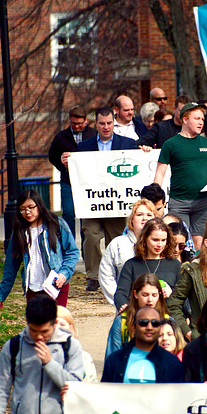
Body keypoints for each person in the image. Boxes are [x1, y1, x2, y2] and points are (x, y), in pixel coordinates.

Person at [61, 106, 137, 292]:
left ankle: (118, 275)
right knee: (92, 238)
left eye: (109, 123)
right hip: (93, 204)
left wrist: (144, 150)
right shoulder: (84, 147)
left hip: (116, 204)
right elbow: (78, 176)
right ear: (96, 124)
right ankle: (93, 277)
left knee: (117, 241)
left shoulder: (128, 144)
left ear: (114, 122)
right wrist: (67, 165)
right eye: (102, 123)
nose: (105, 127)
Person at [154, 102, 207, 250]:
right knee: (179, 243)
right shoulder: (171, 144)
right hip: (179, 203)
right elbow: (160, 173)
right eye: (197, 118)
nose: (201, 122)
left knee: (201, 244)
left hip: (203, 202)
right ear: (185, 120)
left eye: (202, 119)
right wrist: (155, 198)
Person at [0, 189, 79, 309]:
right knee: (37, 325)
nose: (27, 212)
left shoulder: (56, 224)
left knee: (56, 323)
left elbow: (72, 252)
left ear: (39, 206)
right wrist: (2, 294)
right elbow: (11, 264)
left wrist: (64, 273)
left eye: (31, 207)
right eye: (23, 209)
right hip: (33, 288)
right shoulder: (19, 231)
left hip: (56, 285)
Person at [48, 106, 96, 236]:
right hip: (67, 181)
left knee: (86, 215)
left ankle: (86, 250)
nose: (77, 126)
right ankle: (70, 247)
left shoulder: (93, 135)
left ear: (86, 121)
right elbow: (52, 156)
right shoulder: (61, 137)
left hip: (87, 182)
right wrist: (63, 166)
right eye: (74, 123)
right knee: (68, 213)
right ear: (70, 120)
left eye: (80, 124)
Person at [99, 199, 157, 306]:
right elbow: (106, 275)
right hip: (126, 306)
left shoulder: (161, 245)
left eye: (149, 215)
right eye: (139, 214)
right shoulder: (118, 244)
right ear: (131, 220)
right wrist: (120, 301)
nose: (144, 218)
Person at [114, 219, 181, 310]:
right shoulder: (132, 265)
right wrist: (124, 308)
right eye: (155, 240)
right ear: (145, 238)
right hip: (138, 316)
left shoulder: (175, 265)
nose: (160, 244)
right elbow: (121, 294)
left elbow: (184, 299)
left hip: (168, 316)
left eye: (163, 240)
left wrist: (171, 293)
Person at [105, 273, 168, 360]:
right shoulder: (122, 321)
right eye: (145, 295)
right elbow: (112, 359)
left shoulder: (167, 321)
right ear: (135, 294)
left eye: (154, 295)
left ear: (159, 295)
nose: (150, 300)